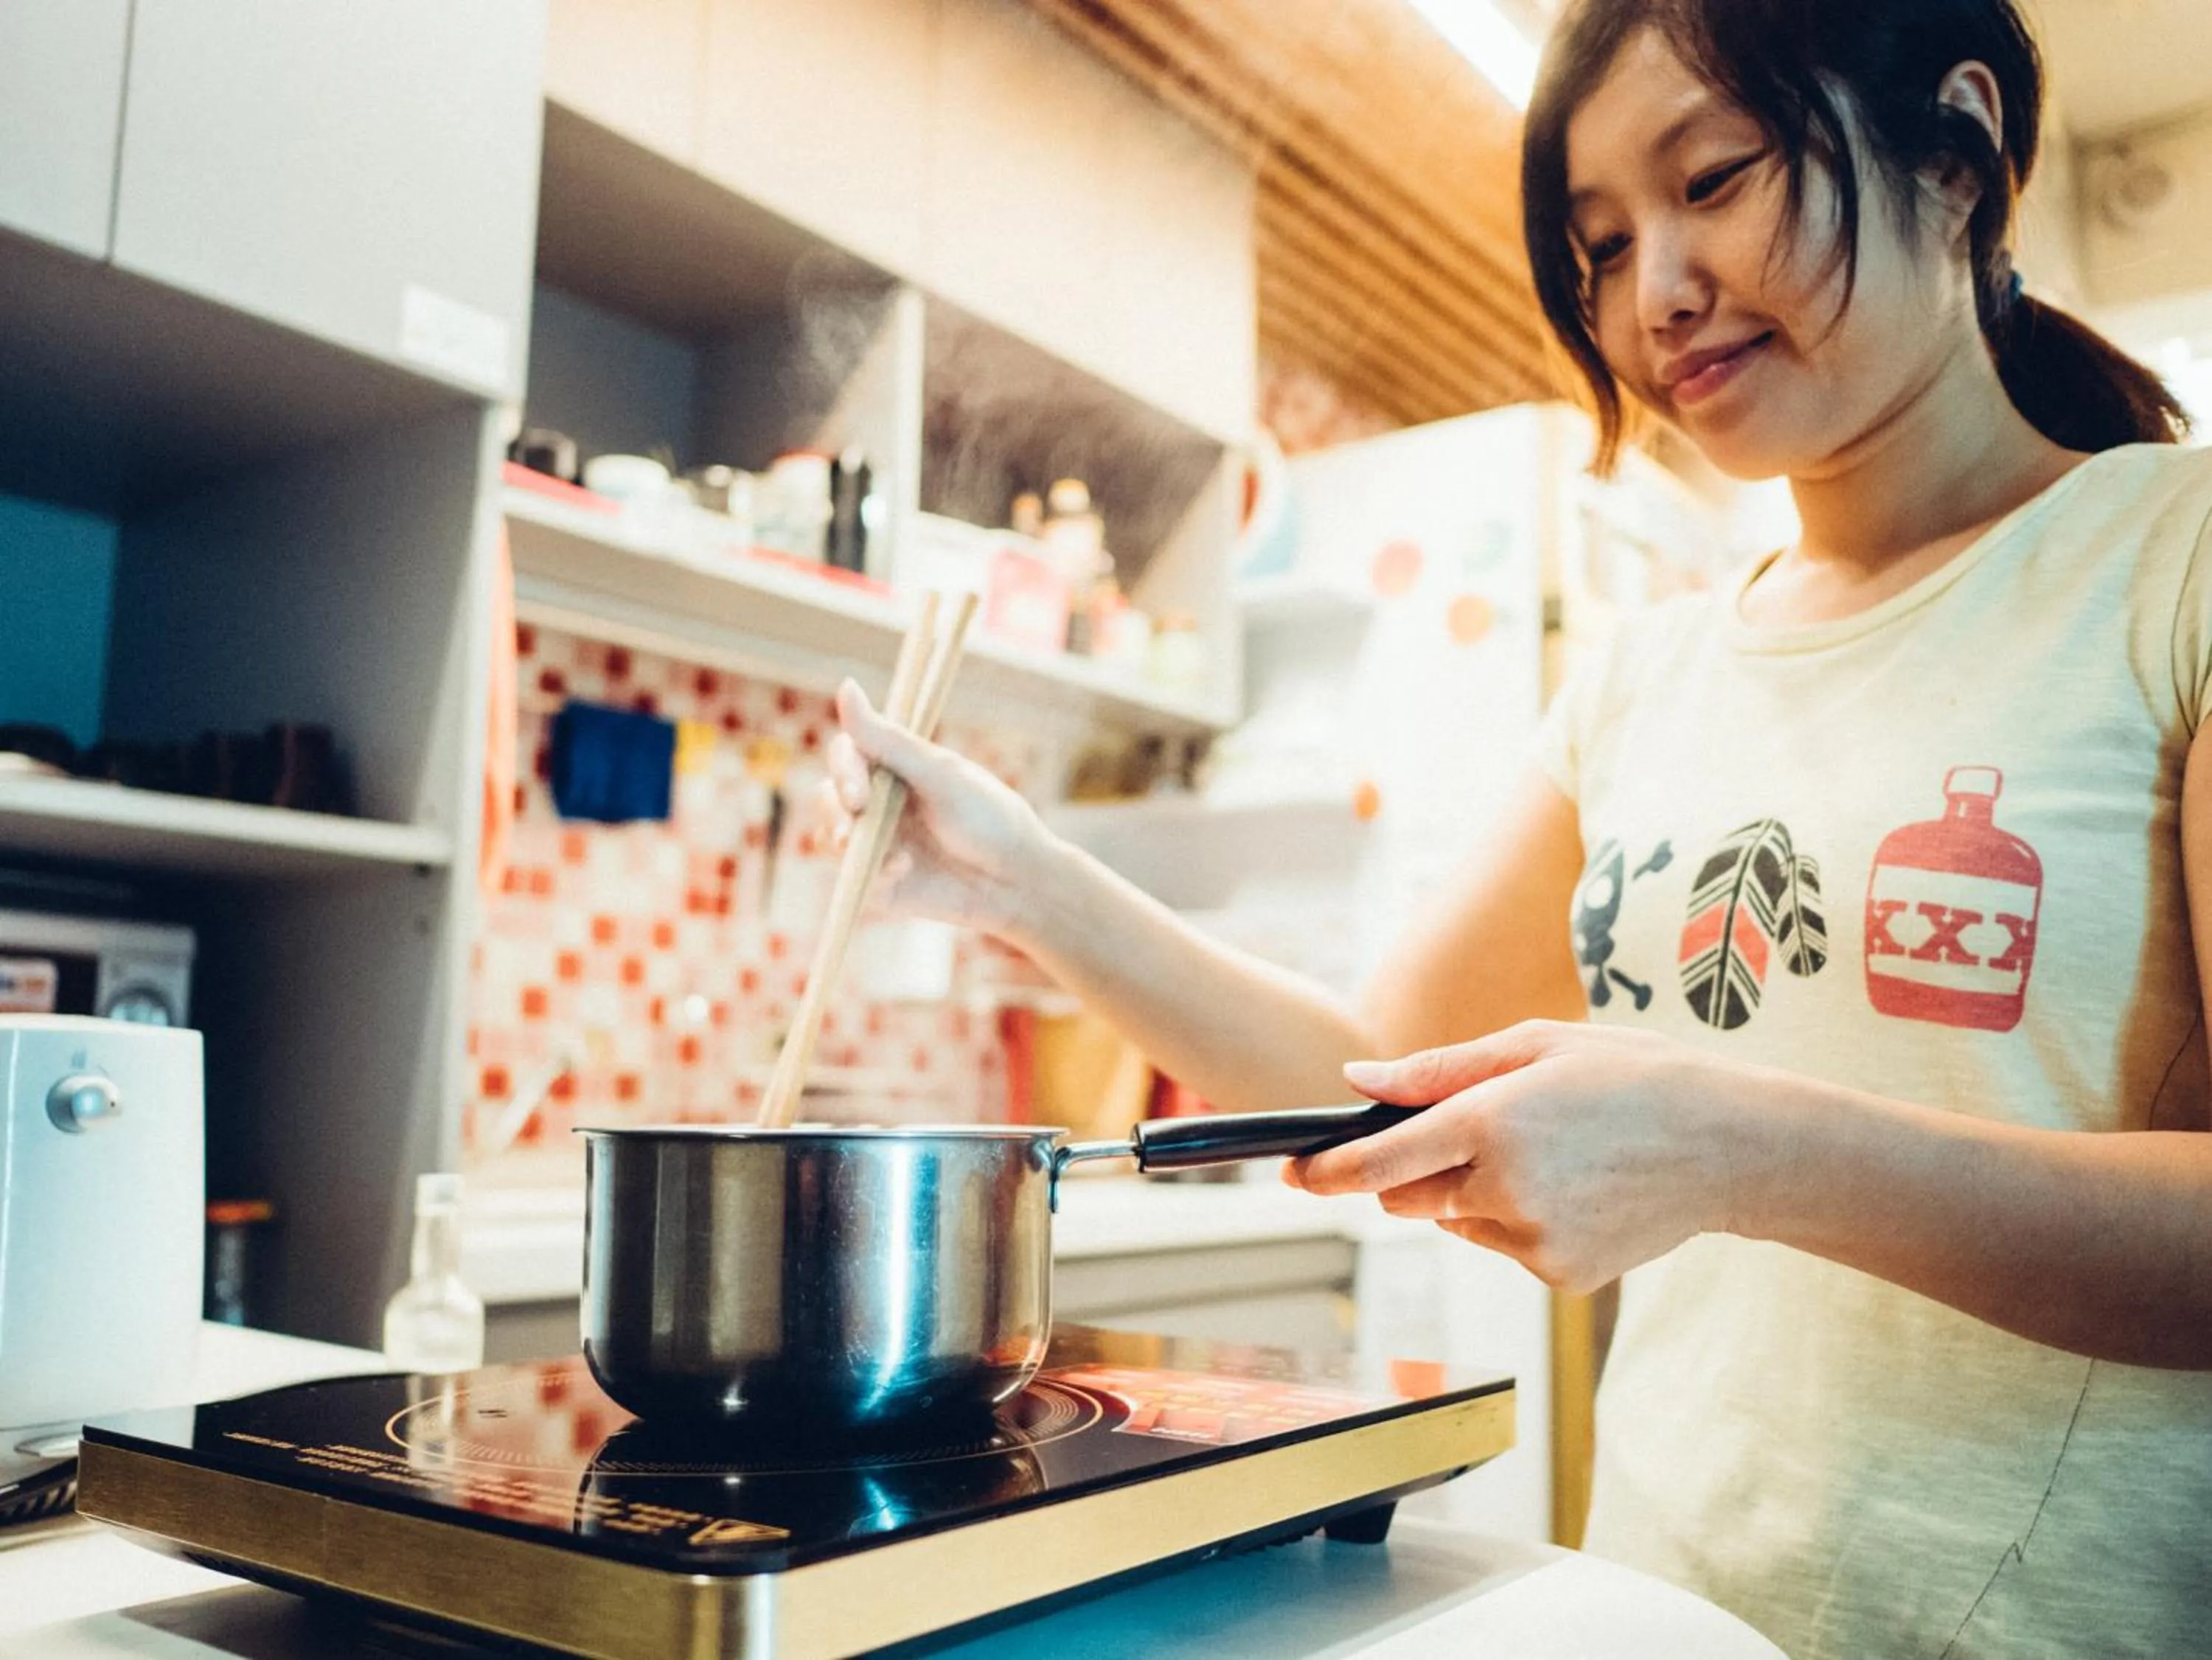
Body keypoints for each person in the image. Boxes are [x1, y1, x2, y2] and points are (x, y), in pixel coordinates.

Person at [827, 0, 2212, 1652]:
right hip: (1666, 1612)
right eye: (1601, 245)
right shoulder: (1643, 674)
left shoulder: (2174, 560)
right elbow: (1371, 1079)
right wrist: (1025, 883)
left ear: (1956, 150)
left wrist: (1736, 1150)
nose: (1654, 294)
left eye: (1715, 178)